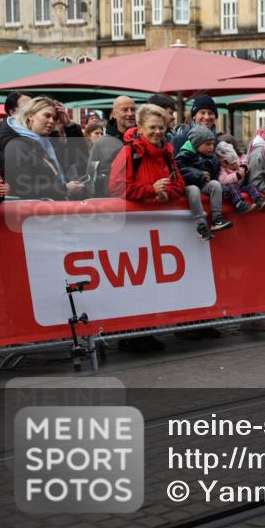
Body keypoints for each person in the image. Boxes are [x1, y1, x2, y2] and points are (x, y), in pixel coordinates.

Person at [106, 104, 186, 352]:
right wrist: (152, 190)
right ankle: (130, 335)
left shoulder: (167, 153)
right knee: (134, 283)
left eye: (161, 127)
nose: (157, 132)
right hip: (131, 227)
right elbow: (118, 188)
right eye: (152, 127)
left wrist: (164, 194)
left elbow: (179, 185)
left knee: (151, 283)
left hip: (159, 230)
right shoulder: (130, 153)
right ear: (140, 128)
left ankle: (147, 331)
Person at [2, 97, 86, 200]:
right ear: (30, 116)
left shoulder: (49, 143)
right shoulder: (16, 145)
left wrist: (69, 126)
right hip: (34, 212)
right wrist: (64, 188)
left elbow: (79, 157)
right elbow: (20, 188)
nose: (51, 121)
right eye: (47, 116)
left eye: (55, 118)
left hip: (55, 209)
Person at [175, 125, 234, 234]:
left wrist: (223, 188)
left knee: (215, 184)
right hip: (187, 186)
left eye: (212, 144)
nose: (211, 147)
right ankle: (201, 223)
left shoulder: (213, 159)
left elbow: (216, 178)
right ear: (196, 144)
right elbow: (180, 170)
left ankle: (217, 219)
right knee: (193, 189)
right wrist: (199, 174)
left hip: (203, 186)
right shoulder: (184, 155)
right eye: (207, 144)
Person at [87, 95, 137, 196]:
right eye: (125, 110)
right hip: (113, 204)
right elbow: (91, 179)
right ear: (114, 114)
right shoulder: (101, 144)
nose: (130, 113)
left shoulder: (144, 139)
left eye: (133, 109)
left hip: (141, 203)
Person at [216, 140, 265, 212]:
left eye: (235, 162)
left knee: (251, 186)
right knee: (232, 187)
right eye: (232, 164)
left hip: (242, 185)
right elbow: (223, 179)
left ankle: (260, 200)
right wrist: (236, 175)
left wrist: (244, 167)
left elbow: (245, 159)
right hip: (233, 187)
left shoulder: (238, 159)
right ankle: (240, 204)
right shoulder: (222, 169)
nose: (235, 165)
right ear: (224, 163)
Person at [0, 91, 32, 155]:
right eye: (26, 108)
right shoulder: (4, 137)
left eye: (33, 106)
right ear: (12, 112)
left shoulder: (29, 130)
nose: (32, 110)